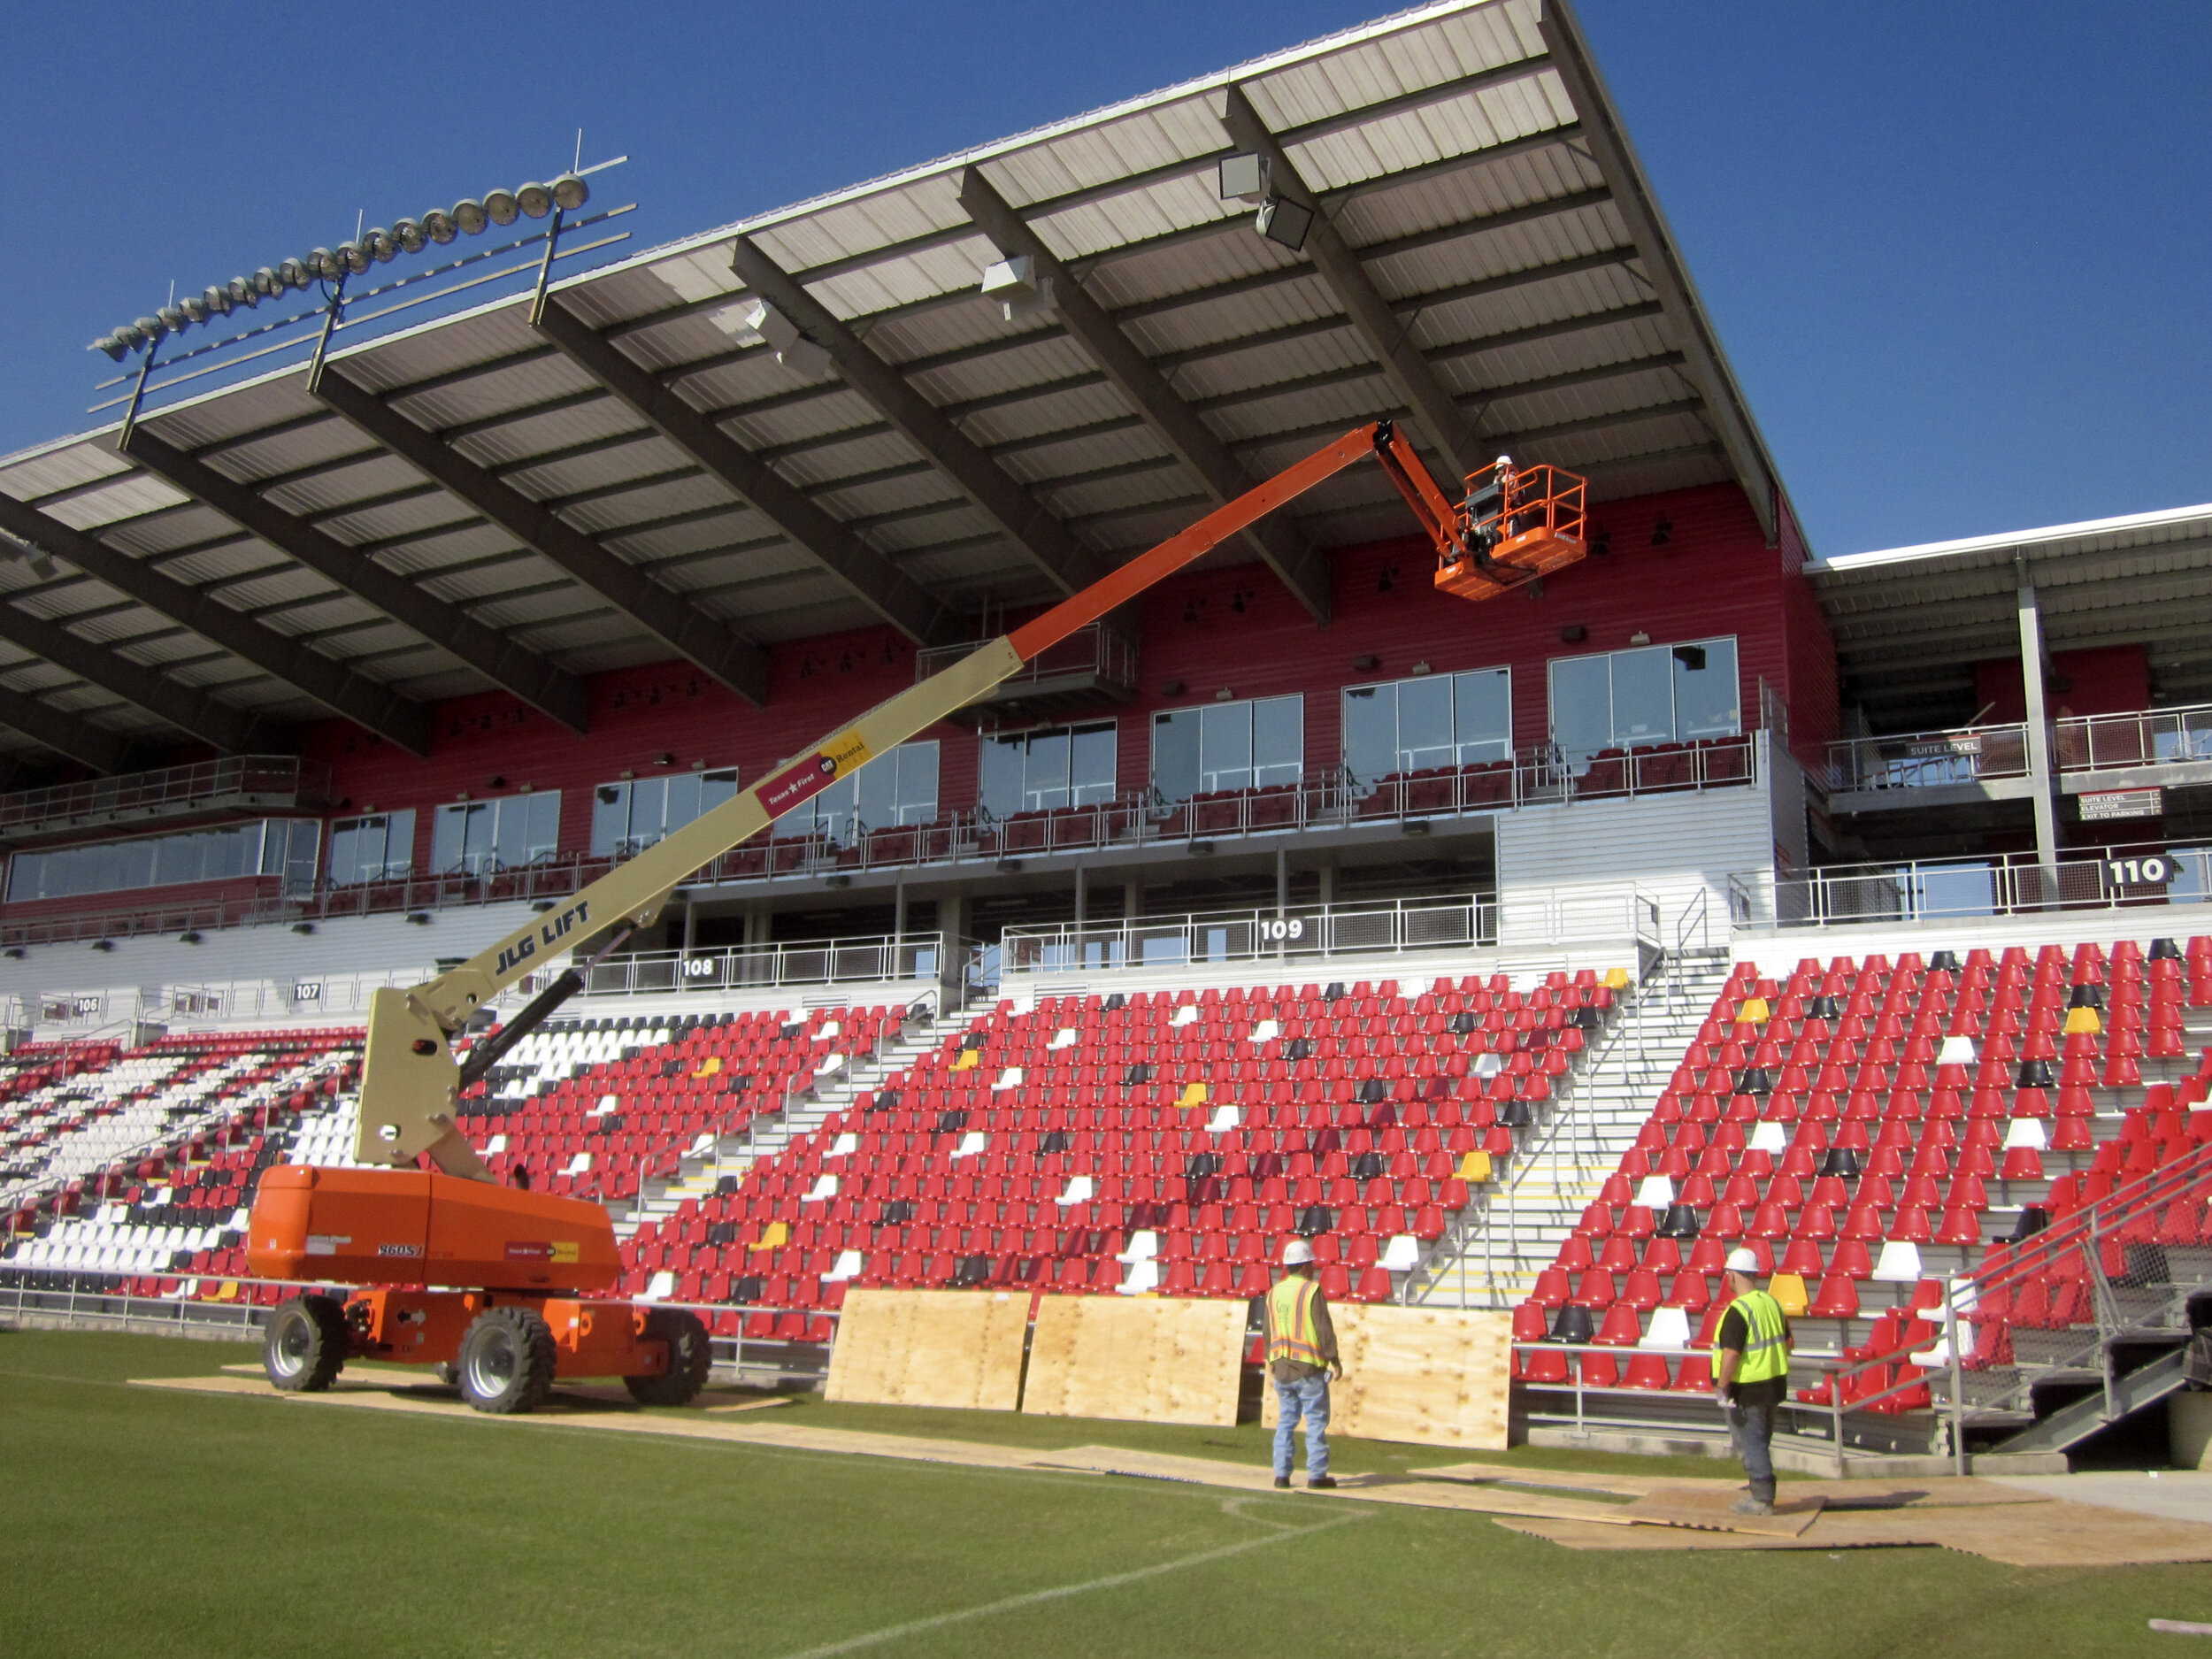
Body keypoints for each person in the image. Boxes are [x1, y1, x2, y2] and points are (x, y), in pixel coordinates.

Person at [1711, 1246, 1793, 1516]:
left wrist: (1722, 1386)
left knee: (1752, 1442)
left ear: (1733, 1276)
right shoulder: (1772, 1303)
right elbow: (1789, 1342)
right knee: (1760, 1439)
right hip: (1774, 1384)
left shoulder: (1738, 1311)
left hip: (1748, 1389)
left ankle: (1761, 1498)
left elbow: (1732, 1354)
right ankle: (1760, 1492)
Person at [1265, 1239, 1342, 1490]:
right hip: (1308, 1369)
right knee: (1316, 1421)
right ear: (1307, 1266)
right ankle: (1317, 1475)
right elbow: (1323, 1328)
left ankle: (1281, 1474)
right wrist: (1334, 1359)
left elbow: (1268, 1331)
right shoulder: (1311, 1290)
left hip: (1282, 1369)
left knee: (1286, 1421)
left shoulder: (1274, 1292)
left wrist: (1271, 1360)